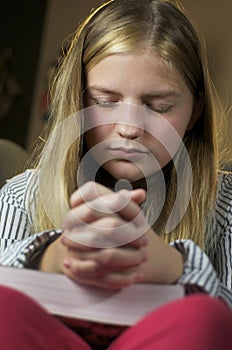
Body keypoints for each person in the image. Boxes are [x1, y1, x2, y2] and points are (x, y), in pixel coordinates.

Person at [0, 0, 232, 349]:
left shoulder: (226, 207)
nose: (128, 128)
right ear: (78, 101)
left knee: (204, 319)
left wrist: (175, 267)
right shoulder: (23, 197)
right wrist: (50, 256)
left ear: (195, 110)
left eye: (159, 107)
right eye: (105, 101)